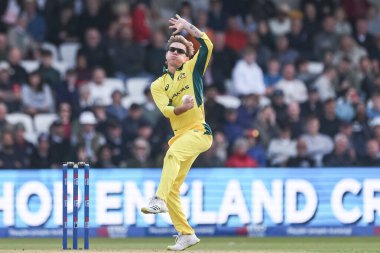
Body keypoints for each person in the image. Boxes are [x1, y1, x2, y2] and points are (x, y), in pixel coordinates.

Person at [140, 14, 213, 251]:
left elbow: (208, 44)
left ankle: (157, 200)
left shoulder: (193, 69)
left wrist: (187, 28)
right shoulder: (158, 84)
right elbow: (166, 111)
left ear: (187, 56)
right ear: (166, 53)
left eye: (180, 50)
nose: (175, 52)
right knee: (173, 189)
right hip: (181, 135)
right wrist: (182, 107)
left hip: (200, 132)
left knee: (171, 155)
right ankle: (186, 233)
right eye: (171, 49)